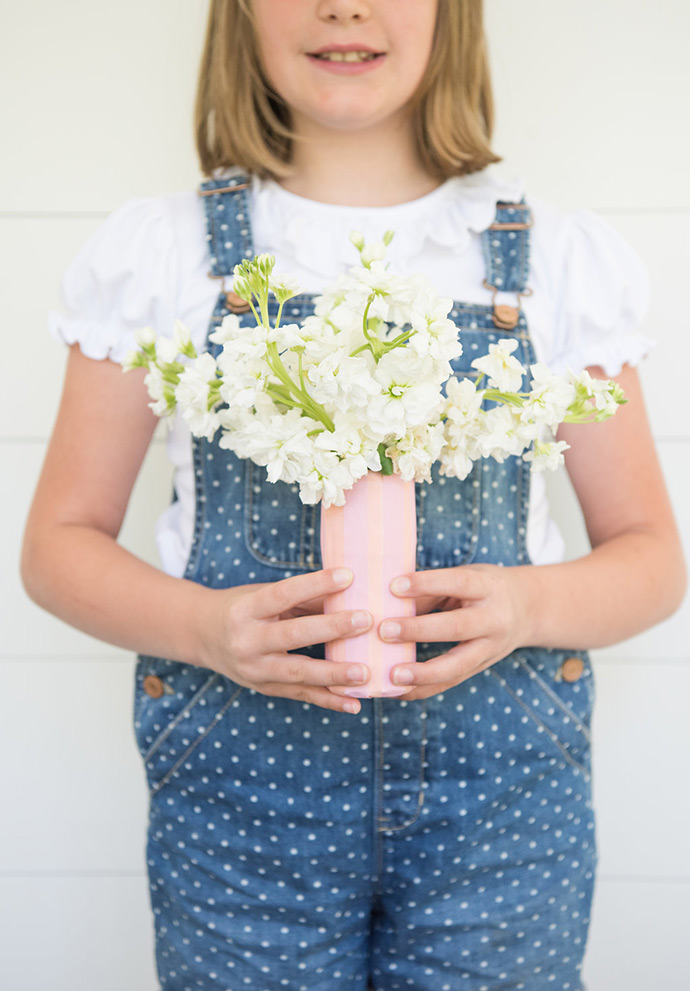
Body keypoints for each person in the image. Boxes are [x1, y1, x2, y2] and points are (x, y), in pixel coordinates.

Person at [21, 1, 686, 988]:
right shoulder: (158, 256)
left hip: (500, 810)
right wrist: (205, 629)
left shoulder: (553, 260)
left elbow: (650, 555)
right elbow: (58, 545)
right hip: (244, 810)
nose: (344, 5)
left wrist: (531, 603)